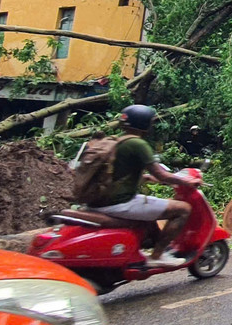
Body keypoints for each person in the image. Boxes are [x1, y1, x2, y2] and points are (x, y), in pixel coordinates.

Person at [86, 104, 202, 267]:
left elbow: (116, 174)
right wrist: (188, 181)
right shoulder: (137, 144)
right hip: (119, 203)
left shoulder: (117, 141)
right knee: (183, 209)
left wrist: (144, 178)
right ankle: (158, 255)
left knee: (151, 205)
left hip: (100, 200)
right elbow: (160, 173)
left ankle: (145, 248)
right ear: (145, 124)